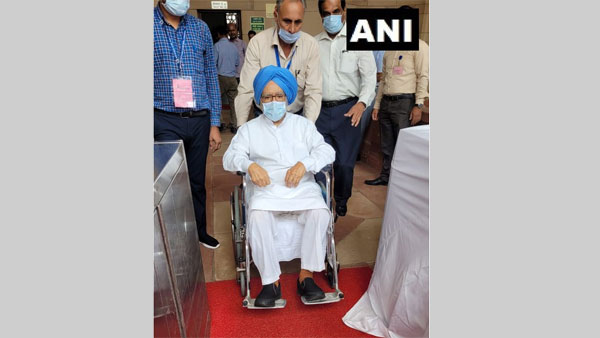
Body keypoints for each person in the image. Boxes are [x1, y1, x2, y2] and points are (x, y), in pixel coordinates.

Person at [223, 66, 335, 307]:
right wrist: (249, 165)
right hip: (266, 189)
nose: (273, 101)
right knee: (258, 214)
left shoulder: (303, 125)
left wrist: (305, 164)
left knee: (319, 211)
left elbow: (327, 151)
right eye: (267, 97)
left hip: (301, 187)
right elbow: (229, 157)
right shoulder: (249, 130)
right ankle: (270, 282)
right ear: (259, 100)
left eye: (279, 96)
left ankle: (306, 277)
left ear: (288, 97)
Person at [154, 0, 222, 249]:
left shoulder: (200, 28)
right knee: (169, 183)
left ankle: (198, 232)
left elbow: (210, 76)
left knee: (196, 181)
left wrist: (214, 123)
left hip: (199, 119)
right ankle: (171, 237)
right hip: (164, 117)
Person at [315, 0, 376, 216]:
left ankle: (341, 199)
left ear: (343, 12)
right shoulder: (314, 43)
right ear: (321, 15)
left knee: (344, 164)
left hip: (348, 112)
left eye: (335, 11)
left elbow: (369, 79)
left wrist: (361, 103)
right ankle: (320, 201)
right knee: (318, 163)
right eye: (326, 13)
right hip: (319, 112)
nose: (331, 17)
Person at [364, 7, 429, 186]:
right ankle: (387, 177)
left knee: (403, 145)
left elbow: (423, 76)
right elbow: (384, 79)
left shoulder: (420, 46)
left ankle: (403, 182)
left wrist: (419, 105)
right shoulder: (390, 50)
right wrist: (377, 105)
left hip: (404, 103)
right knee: (387, 145)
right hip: (386, 102)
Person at [234, 0, 322, 126]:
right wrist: (241, 126)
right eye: (287, 21)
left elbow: (313, 91)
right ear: (276, 15)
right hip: (264, 117)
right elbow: (246, 90)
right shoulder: (258, 43)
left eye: (297, 22)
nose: (292, 29)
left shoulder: (310, 45)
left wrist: (308, 127)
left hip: (296, 117)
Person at [214, 25, 240, 133]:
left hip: (221, 77)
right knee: (234, 102)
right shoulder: (234, 47)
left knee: (217, 100)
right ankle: (234, 124)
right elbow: (237, 63)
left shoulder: (217, 46)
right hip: (232, 77)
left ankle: (220, 123)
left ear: (219, 35)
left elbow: (213, 62)